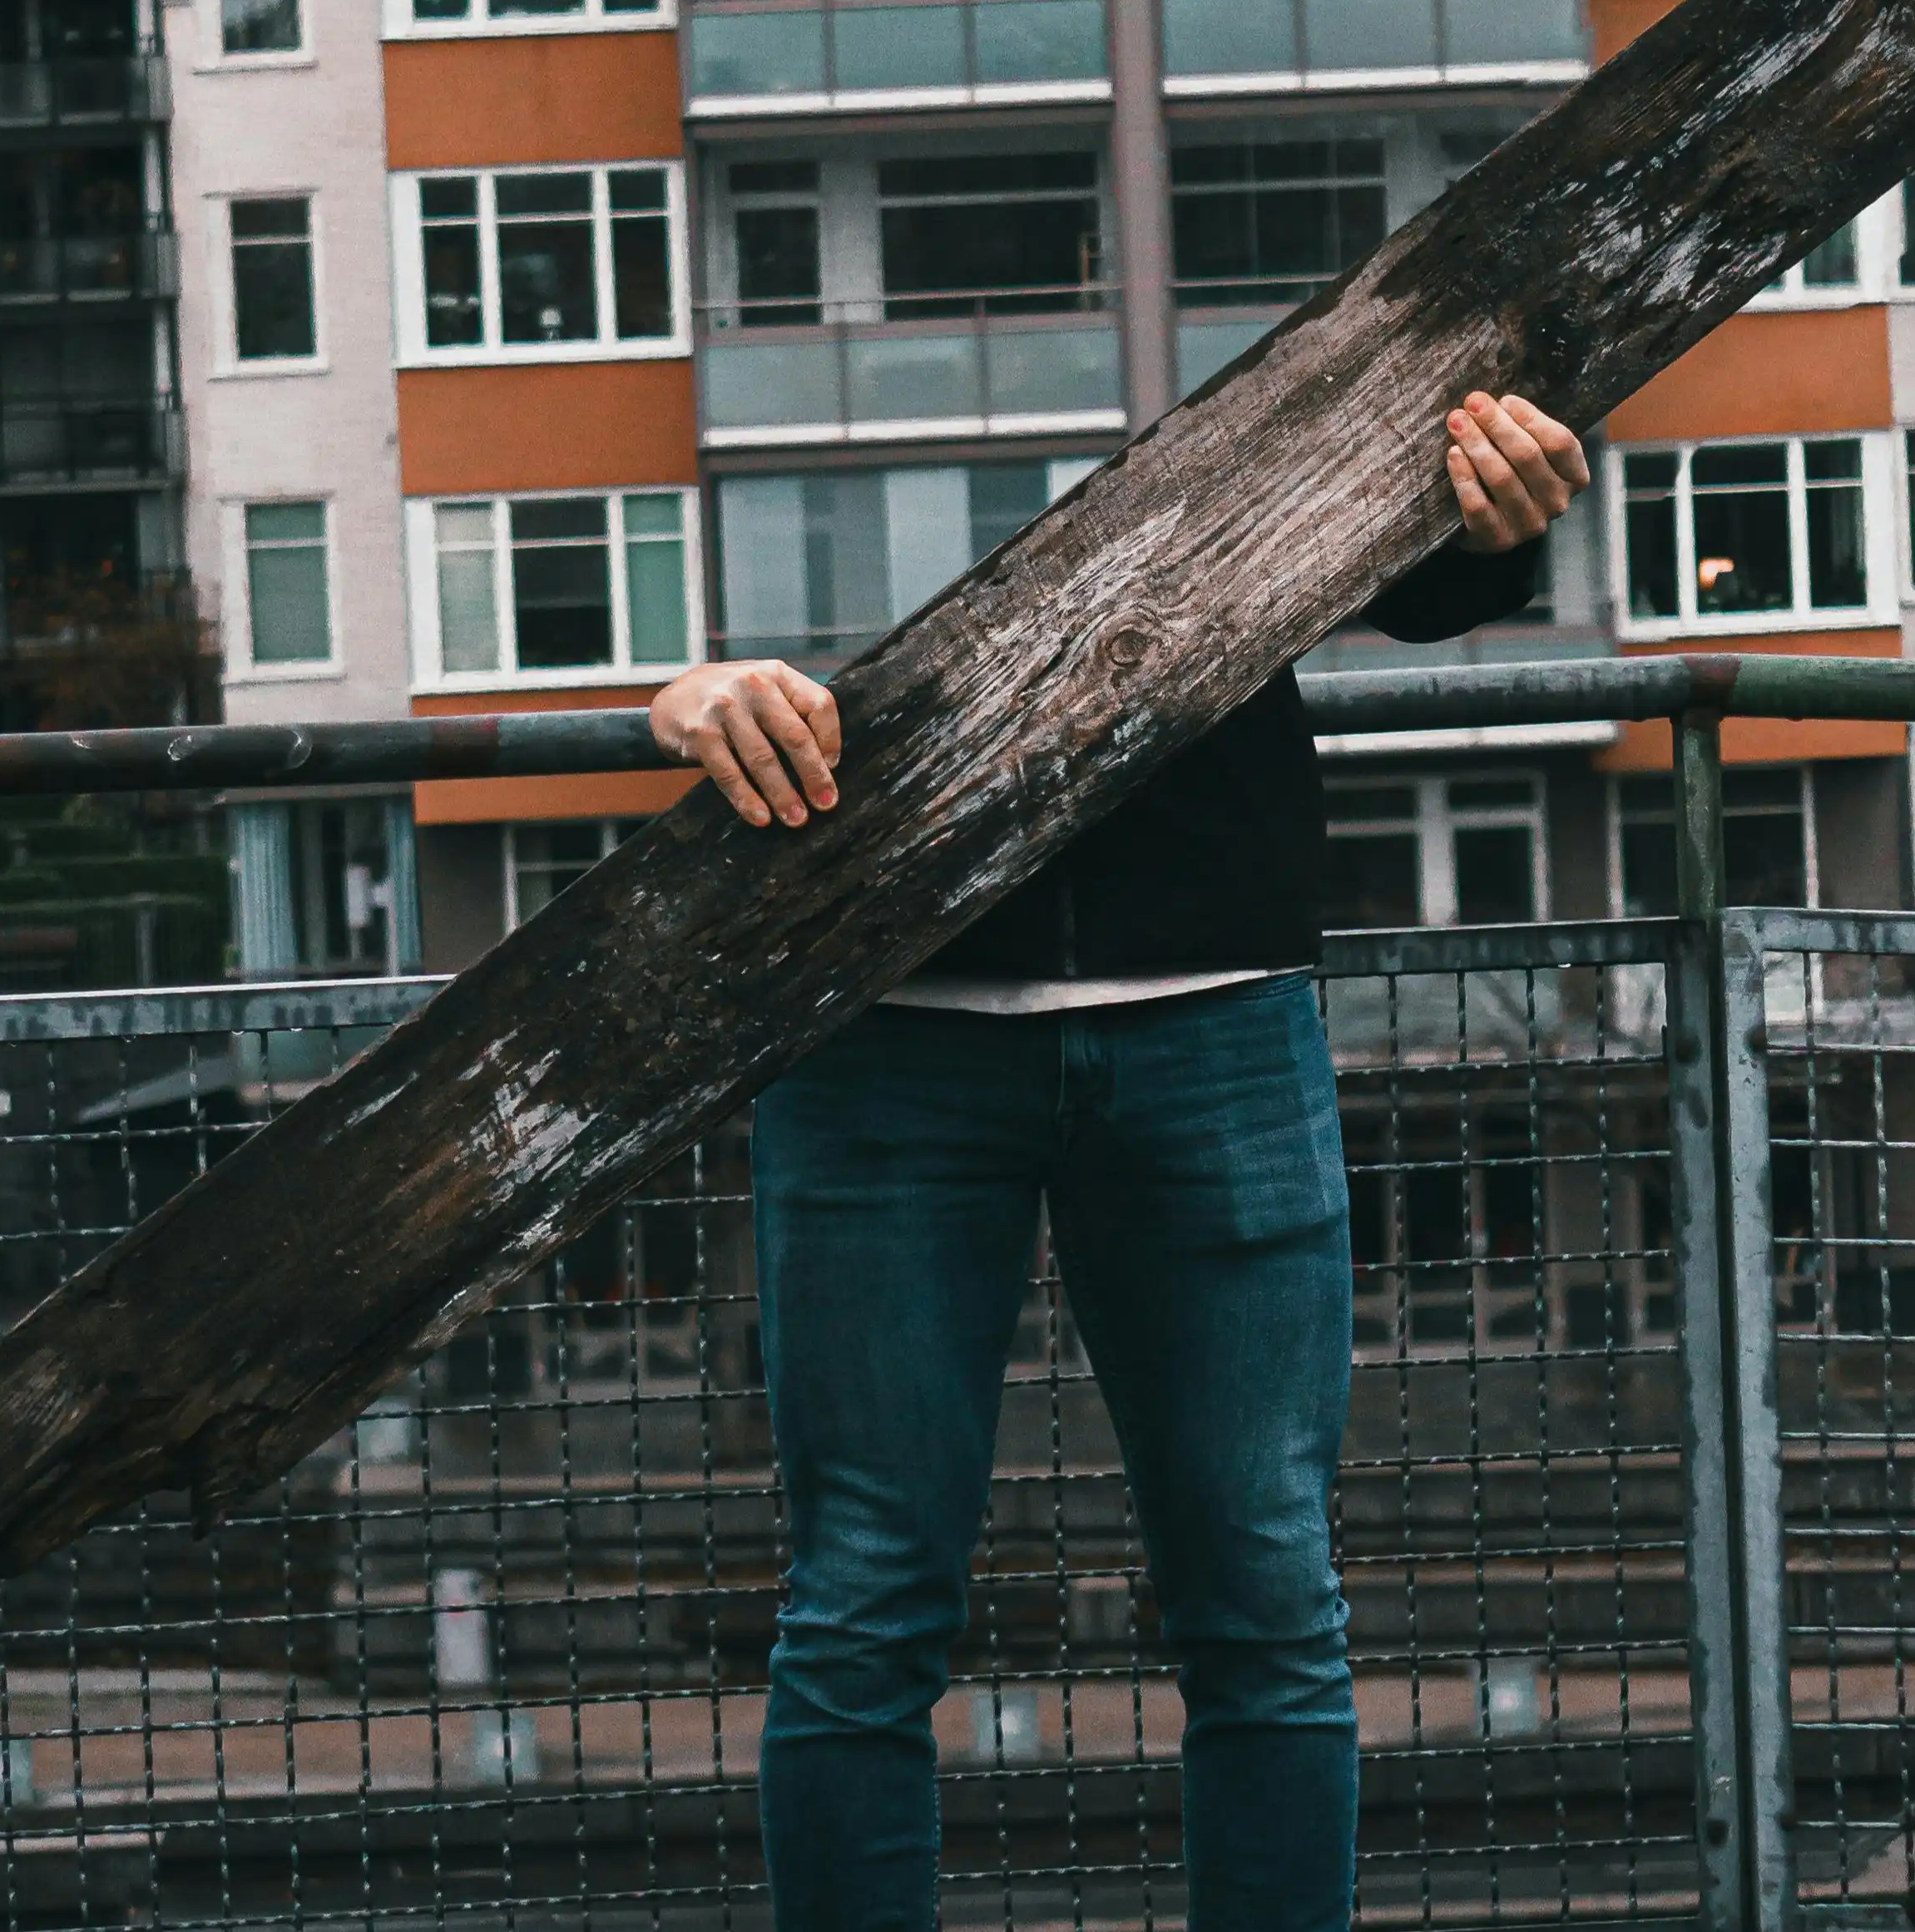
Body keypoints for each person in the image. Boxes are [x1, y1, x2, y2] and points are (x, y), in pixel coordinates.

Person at [649, 393, 1587, 1930]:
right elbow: (674, 656)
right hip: (882, 1031)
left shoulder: (1249, 359)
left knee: (1265, 1593)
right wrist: (680, 695)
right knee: (862, 1602)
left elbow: (1403, 561)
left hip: (1207, 1020)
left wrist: (1501, 522)